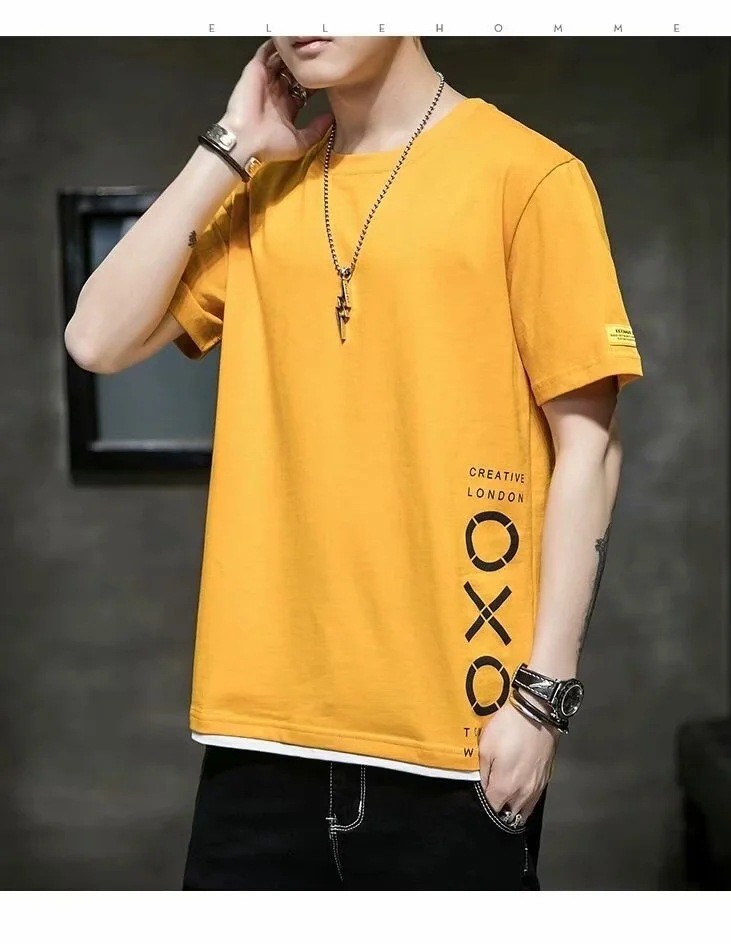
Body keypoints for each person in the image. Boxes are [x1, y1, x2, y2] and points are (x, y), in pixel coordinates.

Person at [64, 35, 644, 890]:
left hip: (457, 740)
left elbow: (588, 450)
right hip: (260, 736)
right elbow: (95, 339)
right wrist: (231, 143)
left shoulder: (527, 176)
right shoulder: (264, 188)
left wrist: (542, 697)